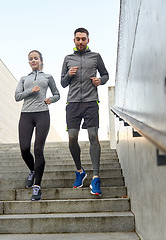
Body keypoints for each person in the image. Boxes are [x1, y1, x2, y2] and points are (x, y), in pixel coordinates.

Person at [61, 27, 109, 196]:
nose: (80, 41)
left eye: (83, 39)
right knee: (72, 138)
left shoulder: (95, 57)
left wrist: (99, 81)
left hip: (90, 102)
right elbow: (63, 83)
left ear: (88, 40)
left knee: (93, 136)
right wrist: (68, 74)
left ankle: (95, 177)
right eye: (78, 39)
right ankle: (80, 171)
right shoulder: (68, 58)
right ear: (74, 40)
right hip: (73, 103)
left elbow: (105, 75)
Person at [15, 50, 60, 201]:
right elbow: (17, 96)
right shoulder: (23, 78)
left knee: (38, 148)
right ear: (29, 62)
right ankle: (33, 170)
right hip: (26, 114)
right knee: (24, 149)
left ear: (41, 60)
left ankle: (37, 186)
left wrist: (51, 100)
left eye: (36, 58)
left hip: (42, 114)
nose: (33, 60)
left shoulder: (48, 77)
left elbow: (57, 94)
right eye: (31, 59)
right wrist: (30, 90)